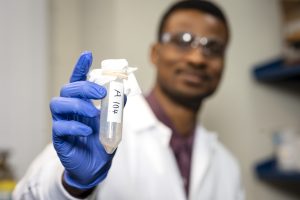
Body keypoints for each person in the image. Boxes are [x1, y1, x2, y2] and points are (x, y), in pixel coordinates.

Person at [13, 0, 244, 199]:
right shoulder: (98, 129)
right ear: (155, 53)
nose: (197, 58)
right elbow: (25, 195)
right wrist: (72, 184)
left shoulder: (228, 167)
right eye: (183, 40)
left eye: (213, 47)